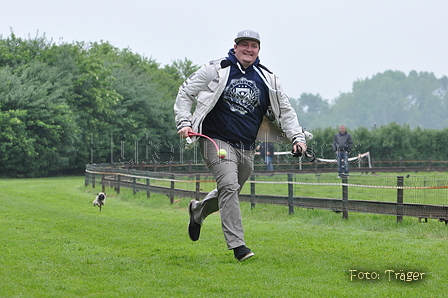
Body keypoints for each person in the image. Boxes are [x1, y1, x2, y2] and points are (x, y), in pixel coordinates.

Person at [174, 29, 307, 261]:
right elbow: (186, 92)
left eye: (253, 45)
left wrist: (298, 137)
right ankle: (239, 247)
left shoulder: (268, 79)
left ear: (258, 50)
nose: (248, 49)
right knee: (228, 185)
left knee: (231, 189)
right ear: (235, 47)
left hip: (246, 146)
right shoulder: (216, 69)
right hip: (214, 139)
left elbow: (285, 111)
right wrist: (184, 122)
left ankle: (198, 211)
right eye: (243, 44)